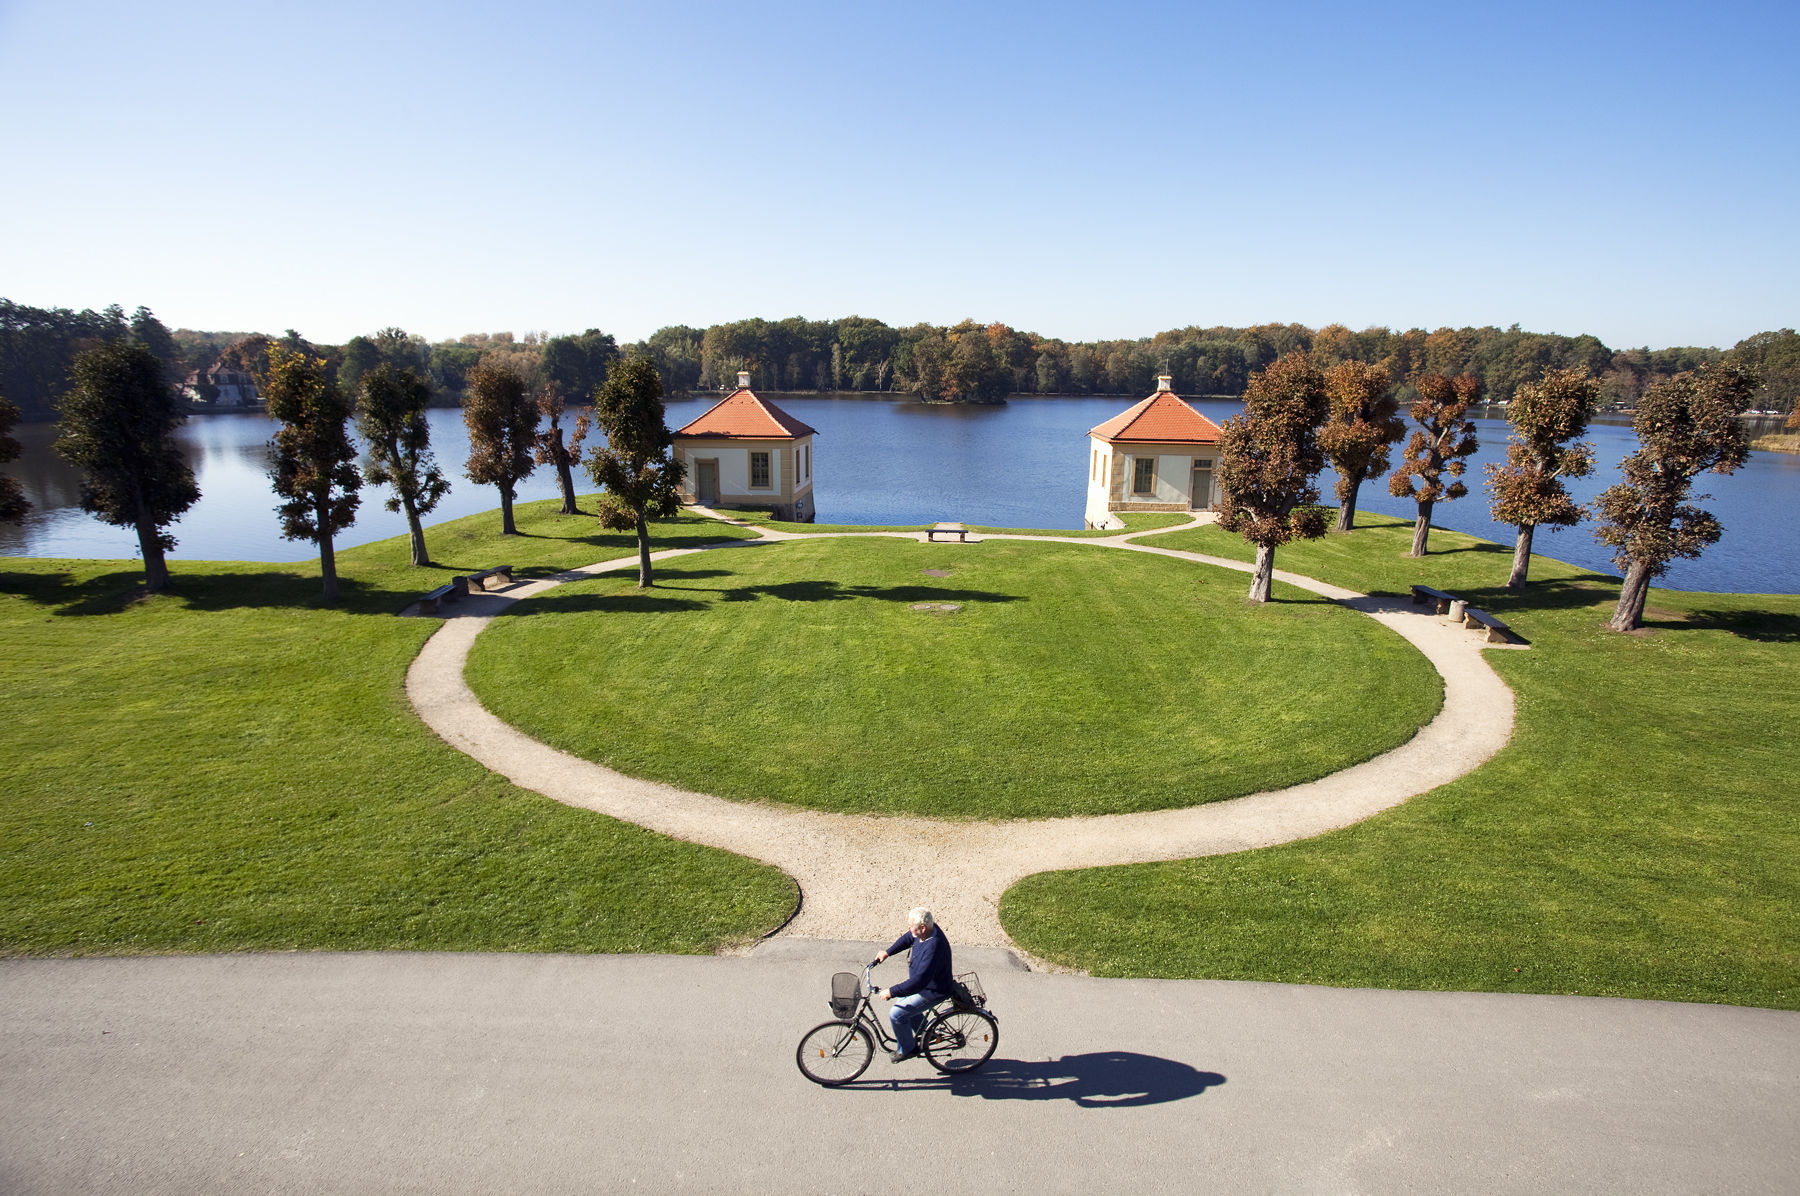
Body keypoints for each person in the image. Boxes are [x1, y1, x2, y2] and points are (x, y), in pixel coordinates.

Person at [874, 907, 953, 1063]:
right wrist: (888, 952)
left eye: (911, 926)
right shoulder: (928, 930)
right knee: (904, 1005)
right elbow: (909, 938)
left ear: (922, 928)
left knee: (897, 1014)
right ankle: (927, 1034)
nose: (909, 929)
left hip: (933, 990)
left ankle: (908, 1049)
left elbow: (918, 982)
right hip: (924, 985)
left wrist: (892, 991)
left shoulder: (933, 947)